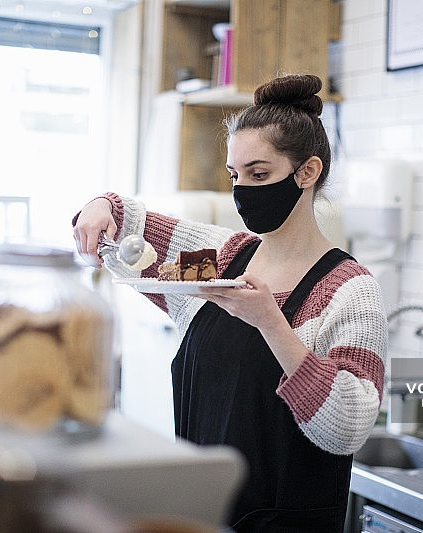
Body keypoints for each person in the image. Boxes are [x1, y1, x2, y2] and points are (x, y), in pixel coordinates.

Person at [72, 74, 387, 532]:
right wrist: (101, 204)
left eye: (259, 174)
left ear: (307, 172)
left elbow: (348, 428)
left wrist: (272, 324)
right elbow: (129, 225)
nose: (243, 191)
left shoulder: (349, 289)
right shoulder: (224, 258)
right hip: (202, 515)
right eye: (235, 175)